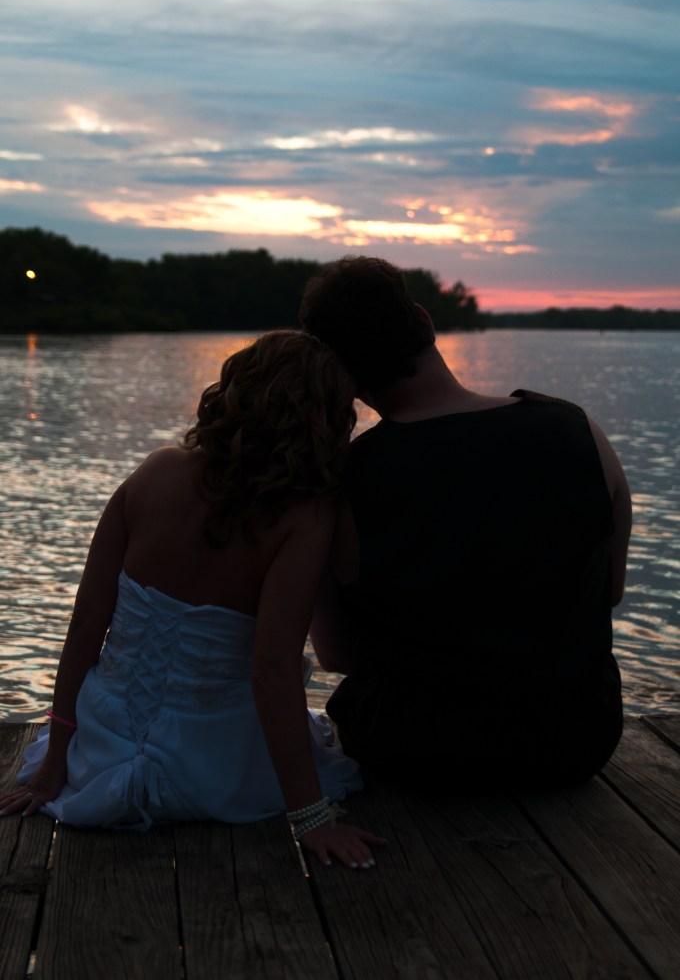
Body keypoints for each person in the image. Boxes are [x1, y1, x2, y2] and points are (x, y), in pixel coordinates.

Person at [0, 330, 385, 869]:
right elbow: (271, 671)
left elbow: (87, 624)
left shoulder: (154, 472)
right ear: (326, 417)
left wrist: (55, 764)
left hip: (99, 751)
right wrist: (312, 818)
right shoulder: (304, 517)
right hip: (217, 765)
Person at [299, 256, 632, 793]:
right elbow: (609, 592)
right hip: (575, 744)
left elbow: (336, 653)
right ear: (426, 322)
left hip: (414, 752)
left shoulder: (342, 481)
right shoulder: (576, 429)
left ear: (340, 370)